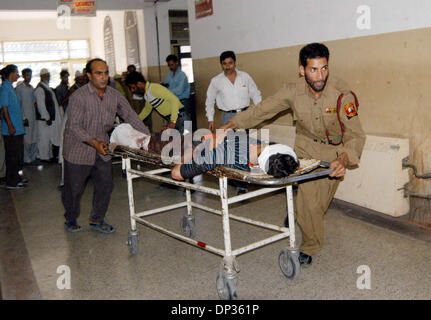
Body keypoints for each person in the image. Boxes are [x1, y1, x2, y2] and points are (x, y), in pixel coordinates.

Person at [217, 43, 366, 266]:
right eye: (313, 69)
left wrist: (343, 159)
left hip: (333, 153)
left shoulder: (342, 96)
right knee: (310, 204)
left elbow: (356, 136)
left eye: (324, 68)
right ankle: (309, 246)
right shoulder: (292, 90)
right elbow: (263, 109)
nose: (320, 76)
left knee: (318, 204)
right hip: (305, 149)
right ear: (302, 69)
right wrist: (232, 124)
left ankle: (299, 214)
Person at [62, 58, 150, 233]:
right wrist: (94, 142)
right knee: (74, 188)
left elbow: (130, 115)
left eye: (106, 73)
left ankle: (97, 219)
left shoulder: (114, 95)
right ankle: (70, 218)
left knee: (105, 184)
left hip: (102, 146)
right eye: (99, 73)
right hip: (78, 148)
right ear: (89, 75)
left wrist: (147, 136)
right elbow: (74, 126)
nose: (104, 77)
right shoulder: (79, 97)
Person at [205, 50, 262, 194]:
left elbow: (255, 93)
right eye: (224, 64)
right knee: (231, 150)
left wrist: (261, 113)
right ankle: (236, 180)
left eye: (230, 63)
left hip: (244, 116)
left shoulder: (245, 77)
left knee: (244, 148)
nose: (228, 66)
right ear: (221, 65)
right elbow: (209, 100)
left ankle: (244, 181)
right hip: (227, 118)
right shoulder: (216, 81)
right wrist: (210, 118)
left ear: (235, 63)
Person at [171, 131, 299, 181]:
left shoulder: (222, 155)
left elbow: (176, 174)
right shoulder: (266, 148)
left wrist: (188, 152)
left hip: (192, 144)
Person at [125, 71, 190, 134]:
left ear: (139, 84)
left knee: (186, 142)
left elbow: (174, 100)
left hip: (180, 116)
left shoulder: (154, 88)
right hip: (173, 118)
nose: (132, 90)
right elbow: (146, 110)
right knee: (179, 143)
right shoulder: (147, 95)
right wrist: (134, 121)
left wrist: (173, 121)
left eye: (133, 87)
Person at [0, 65, 27, 189]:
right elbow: (4, 108)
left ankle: (16, 177)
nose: (18, 75)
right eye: (17, 72)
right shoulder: (5, 88)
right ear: (11, 73)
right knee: (12, 156)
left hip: (17, 127)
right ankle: (11, 182)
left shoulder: (11, 87)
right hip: (11, 130)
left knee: (17, 155)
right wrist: (10, 125)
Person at [35, 68, 62, 162]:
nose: (48, 77)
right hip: (44, 120)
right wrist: (46, 117)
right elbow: (41, 105)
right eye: (46, 75)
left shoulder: (47, 87)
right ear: (41, 77)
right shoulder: (40, 89)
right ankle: (44, 157)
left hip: (50, 119)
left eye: (48, 75)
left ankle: (49, 156)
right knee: (44, 139)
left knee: (50, 138)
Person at [16, 68, 38, 165]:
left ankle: (33, 158)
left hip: (33, 116)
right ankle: (26, 159)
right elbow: (18, 104)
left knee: (34, 138)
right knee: (27, 139)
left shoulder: (31, 88)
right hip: (25, 118)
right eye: (27, 75)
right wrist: (23, 117)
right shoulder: (19, 88)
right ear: (23, 76)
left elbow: (34, 103)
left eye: (30, 75)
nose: (29, 77)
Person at [164, 55, 193, 129]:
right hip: (173, 103)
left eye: (172, 65)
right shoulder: (169, 75)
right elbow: (165, 86)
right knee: (175, 125)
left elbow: (179, 91)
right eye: (169, 65)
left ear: (177, 63)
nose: (170, 67)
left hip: (183, 102)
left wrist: (167, 91)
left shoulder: (182, 75)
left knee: (185, 125)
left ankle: (187, 139)